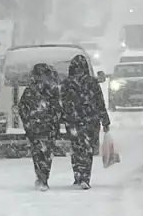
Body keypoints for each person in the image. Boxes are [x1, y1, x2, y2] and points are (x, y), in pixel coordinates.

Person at [60, 54, 110, 190]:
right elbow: (100, 102)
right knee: (87, 150)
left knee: (76, 148)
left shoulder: (66, 84)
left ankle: (78, 175)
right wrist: (105, 120)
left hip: (73, 122)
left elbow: (62, 103)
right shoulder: (92, 83)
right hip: (90, 121)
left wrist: (62, 118)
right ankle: (85, 176)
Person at [18, 63, 63, 191]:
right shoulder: (52, 90)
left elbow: (22, 108)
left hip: (35, 128)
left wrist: (28, 121)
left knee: (37, 153)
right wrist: (54, 121)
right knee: (47, 153)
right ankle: (44, 177)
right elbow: (58, 108)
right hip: (48, 128)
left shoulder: (30, 90)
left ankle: (41, 177)